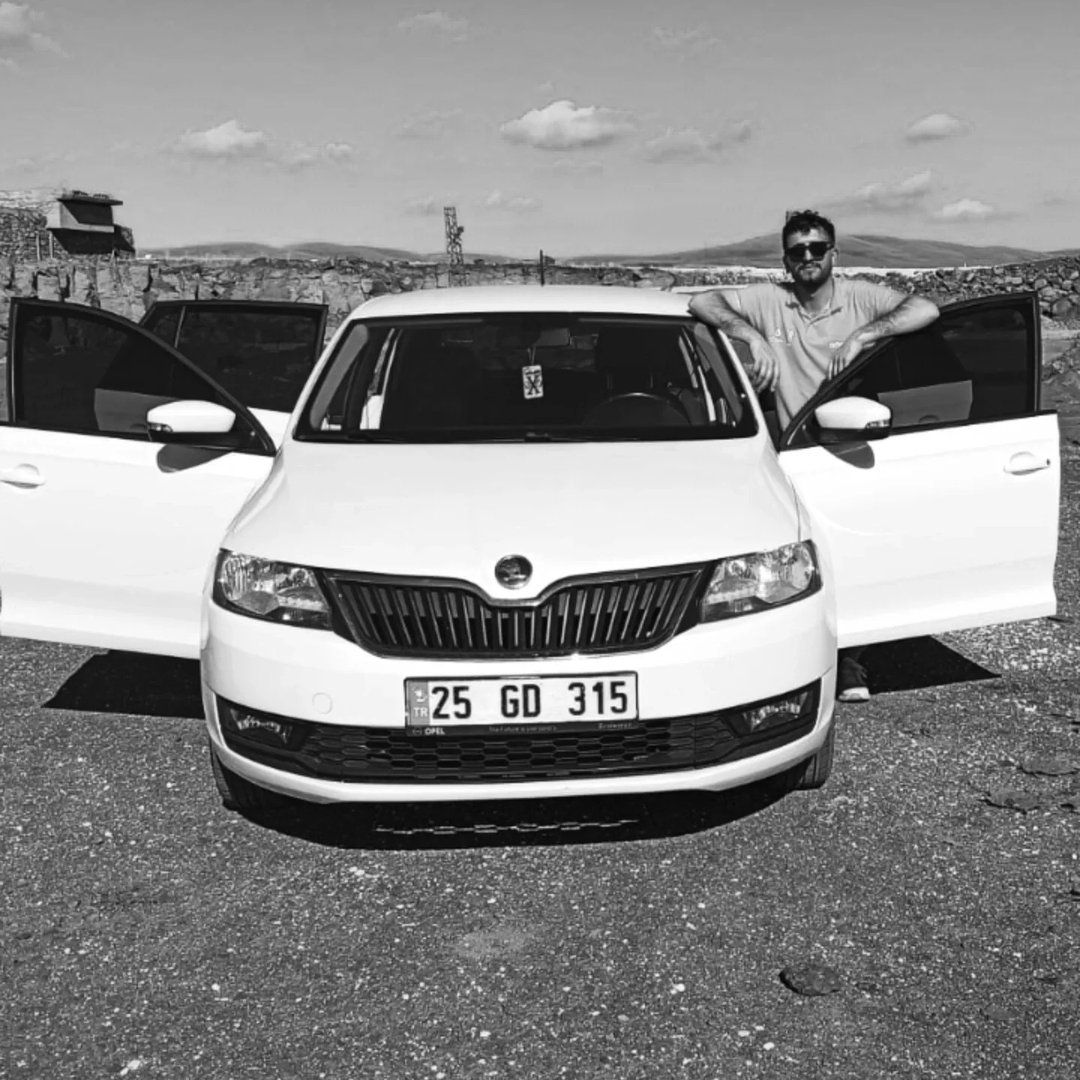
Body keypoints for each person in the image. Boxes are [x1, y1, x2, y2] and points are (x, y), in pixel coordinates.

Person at [688, 209, 940, 702]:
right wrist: (751, 335)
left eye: (817, 248)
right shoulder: (771, 301)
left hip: (854, 447)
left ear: (833, 254)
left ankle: (849, 661)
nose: (808, 257)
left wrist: (865, 334)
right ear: (785, 260)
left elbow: (926, 310)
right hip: (797, 454)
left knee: (856, 559)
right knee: (799, 565)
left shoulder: (860, 297)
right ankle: (793, 660)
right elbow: (702, 301)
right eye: (798, 251)